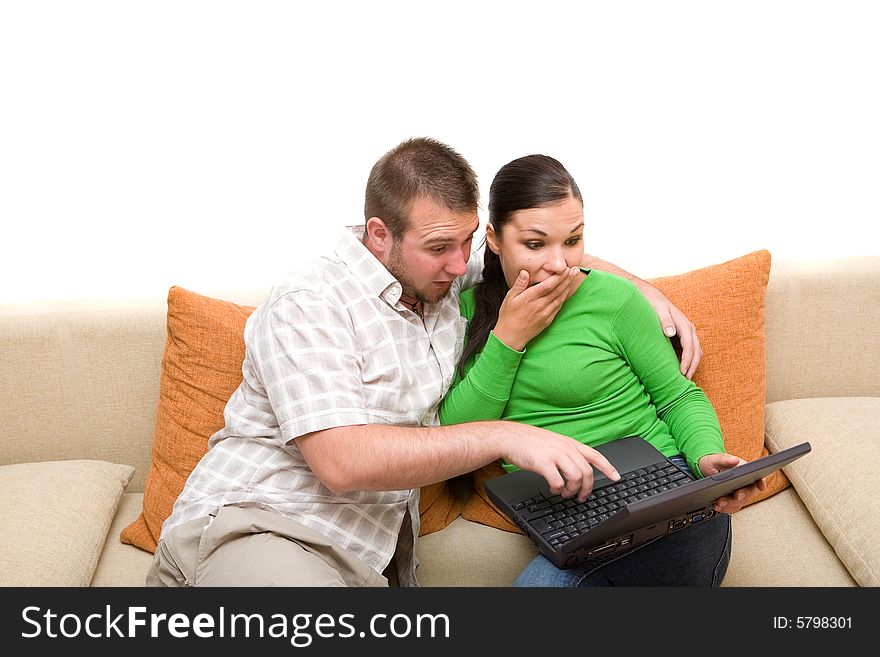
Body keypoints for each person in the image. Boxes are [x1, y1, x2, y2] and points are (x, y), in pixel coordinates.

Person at [147, 138, 704, 587]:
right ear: (379, 235)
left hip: (365, 562)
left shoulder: (440, 276)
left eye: (467, 244)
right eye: (440, 247)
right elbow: (341, 461)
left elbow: (538, 249)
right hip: (263, 529)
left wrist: (646, 291)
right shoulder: (311, 302)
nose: (461, 263)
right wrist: (504, 437)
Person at [439, 154, 765, 587]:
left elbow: (678, 396)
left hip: (665, 488)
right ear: (494, 239)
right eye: (535, 244)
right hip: (566, 510)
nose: (559, 264)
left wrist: (705, 456)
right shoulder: (463, 314)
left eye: (572, 241)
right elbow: (455, 434)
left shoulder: (615, 300)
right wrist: (509, 337)